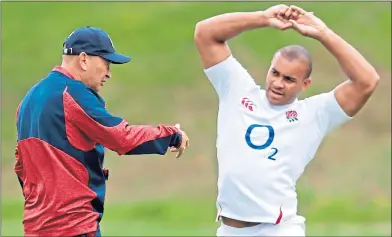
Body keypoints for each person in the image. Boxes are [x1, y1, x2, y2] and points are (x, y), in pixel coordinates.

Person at [194, 4, 379, 236]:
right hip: (229, 230)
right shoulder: (237, 90)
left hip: (278, 230)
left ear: (305, 85)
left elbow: (367, 81)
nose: (278, 83)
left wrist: (324, 34)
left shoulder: (315, 114)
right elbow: (205, 33)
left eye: (289, 79)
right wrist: (262, 18)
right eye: (275, 73)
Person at [14, 26, 190, 237]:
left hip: (36, 228)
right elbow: (121, 137)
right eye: (106, 63)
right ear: (84, 59)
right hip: (73, 226)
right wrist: (172, 136)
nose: (109, 73)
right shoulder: (74, 93)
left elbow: (21, 166)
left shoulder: (28, 100)